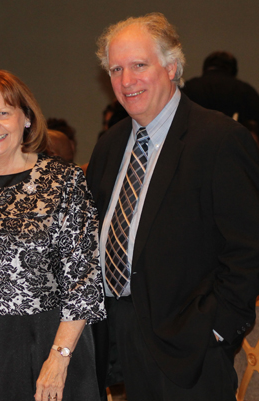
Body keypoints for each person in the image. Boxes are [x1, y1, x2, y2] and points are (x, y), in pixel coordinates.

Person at [87, 12, 259, 401]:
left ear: (172, 67)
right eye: (116, 69)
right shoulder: (109, 146)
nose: (126, 81)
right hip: (116, 338)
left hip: (190, 347)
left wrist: (216, 328)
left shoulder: (220, 140)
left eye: (138, 65)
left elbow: (248, 249)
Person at [0, 68, 106, 401]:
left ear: (25, 117)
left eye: (3, 113)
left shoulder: (63, 181)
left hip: (47, 346)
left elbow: (85, 280)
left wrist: (59, 357)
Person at [183, 51, 259, 125]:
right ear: (234, 70)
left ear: (205, 67)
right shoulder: (246, 91)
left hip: (195, 135)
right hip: (234, 136)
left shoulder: (189, 87)